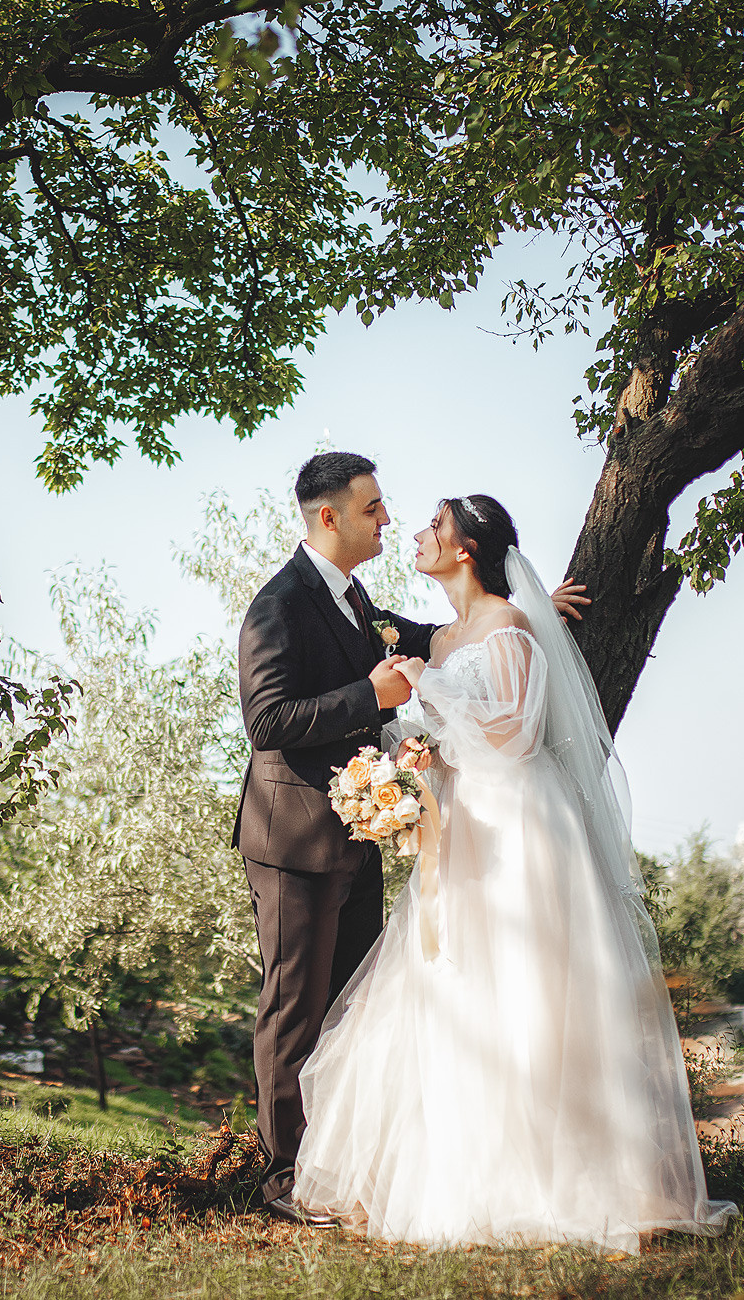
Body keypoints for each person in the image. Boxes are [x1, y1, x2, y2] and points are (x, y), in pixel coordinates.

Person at [291, 494, 736, 1252]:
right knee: (458, 989)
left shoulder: (509, 624)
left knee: (529, 990)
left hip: (518, 826)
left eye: (435, 526)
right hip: (457, 827)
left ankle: (560, 1179)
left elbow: (517, 732)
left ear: (466, 549)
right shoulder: (443, 638)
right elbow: (438, 719)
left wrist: (427, 692)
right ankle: (468, 1172)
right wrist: (406, 758)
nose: (419, 534)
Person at [234, 456, 587, 1225]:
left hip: (361, 834)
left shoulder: (355, 597)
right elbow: (268, 721)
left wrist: (531, 608)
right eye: (373, 508)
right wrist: (374, 695)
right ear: (329, 517)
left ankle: (341, 1165)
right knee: (296, 1008)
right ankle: (286, 1179)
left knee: (348, 1013)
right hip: (293, 836)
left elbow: (439, 636)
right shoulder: (278, 606)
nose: (387, 520)